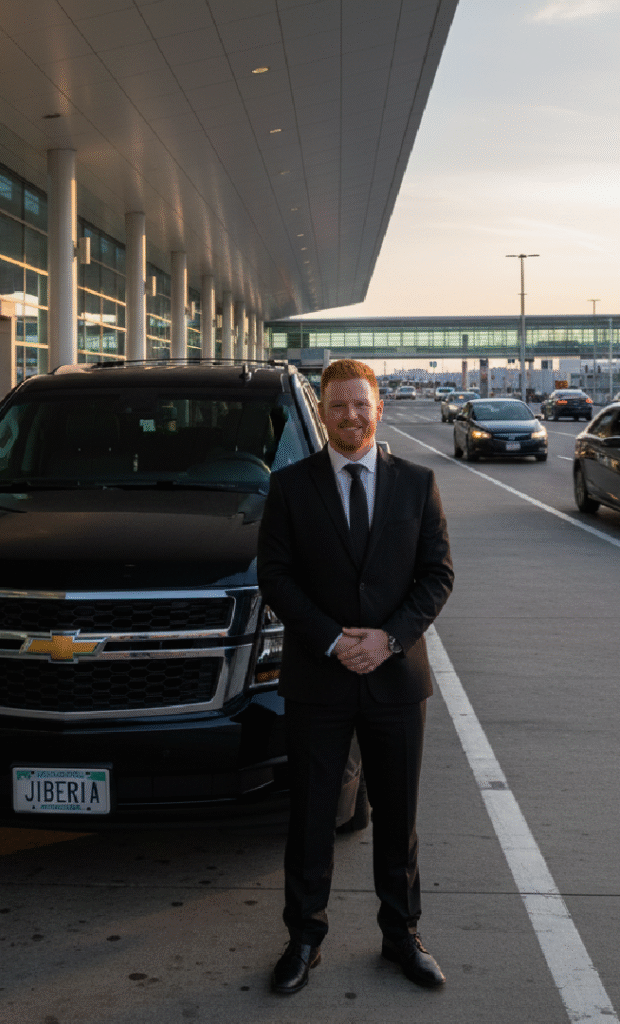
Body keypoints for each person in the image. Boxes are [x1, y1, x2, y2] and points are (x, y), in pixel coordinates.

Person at [257, 358, 454, 995]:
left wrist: (389, 637)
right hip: (320, 679)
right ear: (322, 411)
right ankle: (304, 938)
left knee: (397, 816)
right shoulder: (290, 487)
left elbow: (437, 576)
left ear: (379, 407)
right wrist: (334, 639)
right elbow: (276, 577)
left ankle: (402, 935)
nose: (350, 416)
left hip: (397, 680)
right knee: (312, 815)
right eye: (337, 405)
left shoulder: (417, 485)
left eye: (360, 405)